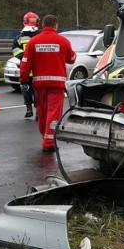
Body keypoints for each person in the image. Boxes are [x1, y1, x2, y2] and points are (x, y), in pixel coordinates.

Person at [19, 15, 76, 152]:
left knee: (42, 111)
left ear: (43, 25)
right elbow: (72, 59)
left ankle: (44, 137)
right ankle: (48, 142)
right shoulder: (62, 41)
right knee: (53, 112)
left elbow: (25, 63)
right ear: (55, 25)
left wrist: (24, 80)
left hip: (39, 84)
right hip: (56, 85)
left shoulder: (33, 42)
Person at [12, 12, 41, 118]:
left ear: (25, 22)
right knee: (38, 91)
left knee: (26, 89)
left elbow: (15, 50)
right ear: (37, 22)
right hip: (38, 69)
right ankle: (38, 111)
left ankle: (29, 109)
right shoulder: (40, 35)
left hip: (25, 69)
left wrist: (24, 59)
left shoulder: (19, 37)